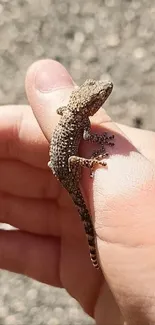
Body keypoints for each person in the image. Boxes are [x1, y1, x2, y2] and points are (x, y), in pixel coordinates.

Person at [0, 59, 155, 325]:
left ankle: (94, 252)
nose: (105, 91)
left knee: (82, 207)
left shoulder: (70, 111)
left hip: (58, 167)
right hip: (67, 165)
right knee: (82, 204)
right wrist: (92, 160)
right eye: (99, 95)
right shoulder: (82, 122)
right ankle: (93, 252)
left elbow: (64, 113)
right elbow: (90, 138)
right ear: (90, 106)